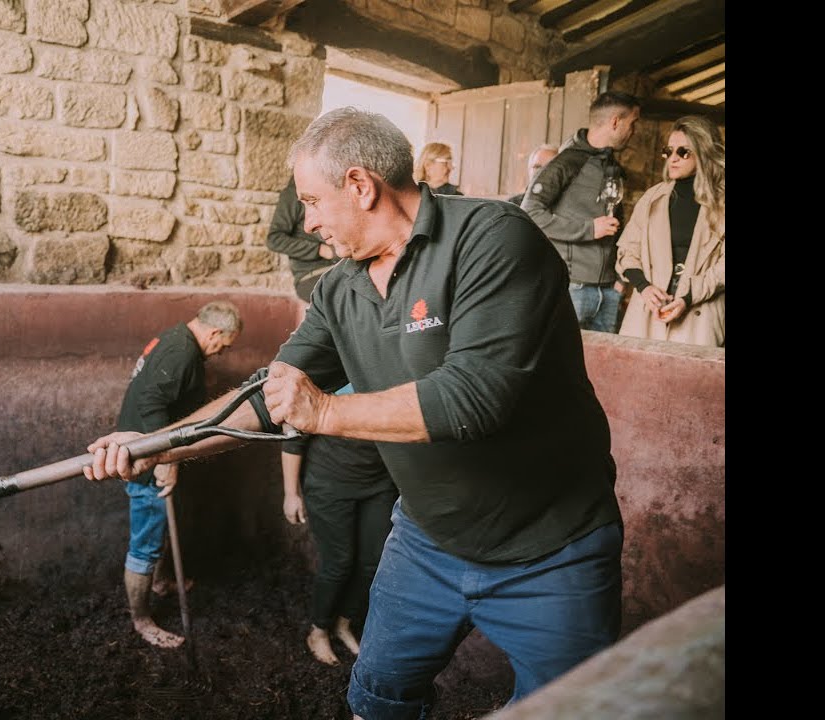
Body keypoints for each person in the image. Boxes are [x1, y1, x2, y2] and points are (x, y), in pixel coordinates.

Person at [84, 107, 623, 720]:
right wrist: (158, 446)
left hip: (553, 548)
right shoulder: (340, 288)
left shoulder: (493, 237)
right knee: (378, 696)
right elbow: (268, 394)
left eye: (312, 202)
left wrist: (322, 412)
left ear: (361, 186)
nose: (310, 225)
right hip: (426, 542)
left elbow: (476, 397)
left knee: (575, 708)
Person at [116, 300, 243, 649]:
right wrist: (165, 460)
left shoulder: (176, 338)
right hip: (145, 461)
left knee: (159, 526)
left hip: (149, 452)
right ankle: (141, 620)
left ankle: (160, 582)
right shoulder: (181, 353)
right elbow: (152, 404)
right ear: (215, 332)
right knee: (145, 542)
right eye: (224, 345)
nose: (221, 352)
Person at [280, 384, 397, 667]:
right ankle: (318, 629)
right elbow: (294, 437)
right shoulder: (332, 369)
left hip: (379, 482)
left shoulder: (394, 368)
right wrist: (291, 494)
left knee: (374, 561)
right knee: (339, 561)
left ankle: (343, 623)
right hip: (329, 481)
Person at [522, 91, 641, 333]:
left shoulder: (612, 165)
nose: (634, 131)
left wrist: (619, 280)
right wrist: (589, 229)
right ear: (615, 122)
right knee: (560, 365)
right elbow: (530, 212)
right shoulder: (567, 162)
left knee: (604, 369)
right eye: (633, 123)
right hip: (573, 288)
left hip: (608, 290)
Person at [615, 115, 725, 346]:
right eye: (668, 151)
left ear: (703, 153)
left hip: (699, 314)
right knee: (637, 378)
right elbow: (627, 251)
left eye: (683, 152)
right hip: (647, 313)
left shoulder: (721, 204)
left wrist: (688, 297)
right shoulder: (652, 198)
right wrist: (644, 288)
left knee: (691, 380)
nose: (672, 159)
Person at [267, 176, 338, 304]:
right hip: (312, 274)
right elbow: (274, 239)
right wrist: (319, 250)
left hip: (339, 269)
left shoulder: (328, 188)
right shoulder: (293, 193)